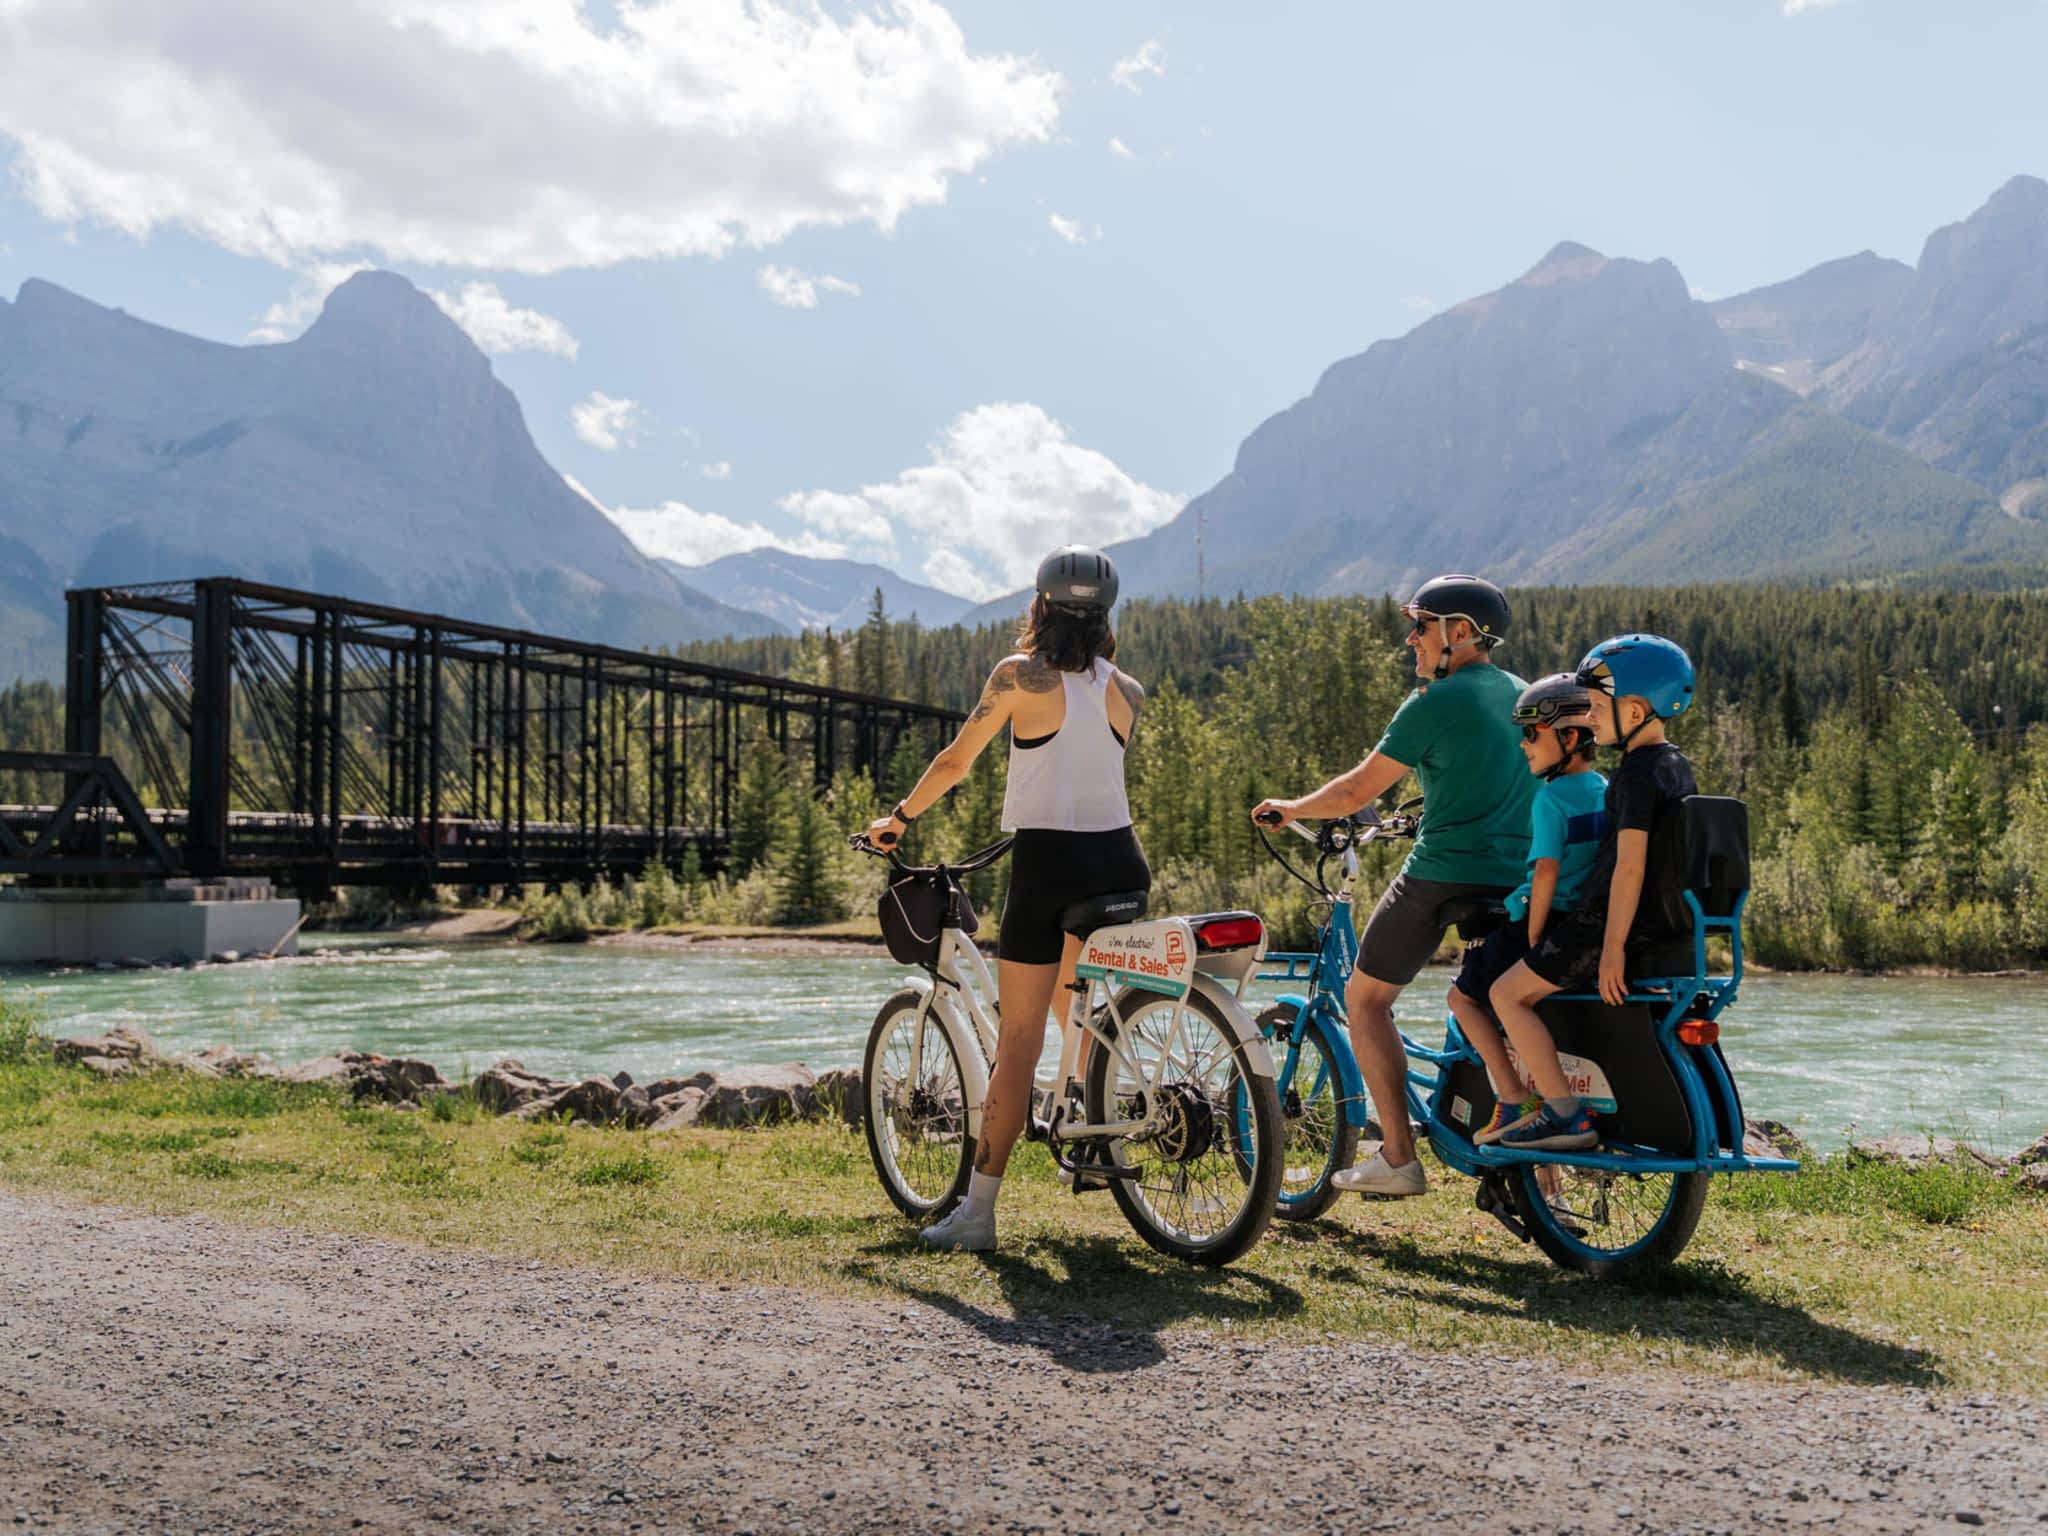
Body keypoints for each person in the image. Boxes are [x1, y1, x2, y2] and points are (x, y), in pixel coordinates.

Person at [866, 545, 1147, 1253]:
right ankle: (1088, 1127)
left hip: (1050, 864)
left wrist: (898, 819)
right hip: (1120, 864)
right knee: (1077, 1001)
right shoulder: (1128, 691)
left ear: (1041, 605)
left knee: (1018, 1040)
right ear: (1106, 615)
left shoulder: (1019, 676)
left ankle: (978, 1213)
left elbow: (958, 760)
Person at [1251, 574, 1535, 1197]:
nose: (1411, 639)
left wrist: (1294, 808)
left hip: (1444, 872)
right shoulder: (1523, 694)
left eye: (1422, 626)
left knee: (1367, 1000)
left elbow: (1357, 791)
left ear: (1460, 633)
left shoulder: (1434, 703)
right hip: (1518, 879)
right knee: (1493, 1003)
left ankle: (1399, 1156)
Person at [1488, 634, 1699, 1153]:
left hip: (1600, 927)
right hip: (1665, 925)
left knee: (1504, 994)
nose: (1590, 720)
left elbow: (1629, 867)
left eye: (1598, 709)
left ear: (1634, 708)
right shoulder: (1674, 766)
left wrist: (1610, 949)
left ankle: (1563, 1115)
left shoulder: (1633, 777)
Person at [1442, 674, 1609, 1146]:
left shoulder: (1551, 800)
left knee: (1466, 997)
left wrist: (1533, 937)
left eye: (1532, 733)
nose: (1523, 745)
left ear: (1570, 737)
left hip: (1547, 921)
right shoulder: (1604, 790)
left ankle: (1518, 1096)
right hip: (1587, 924)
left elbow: (1545, 876)